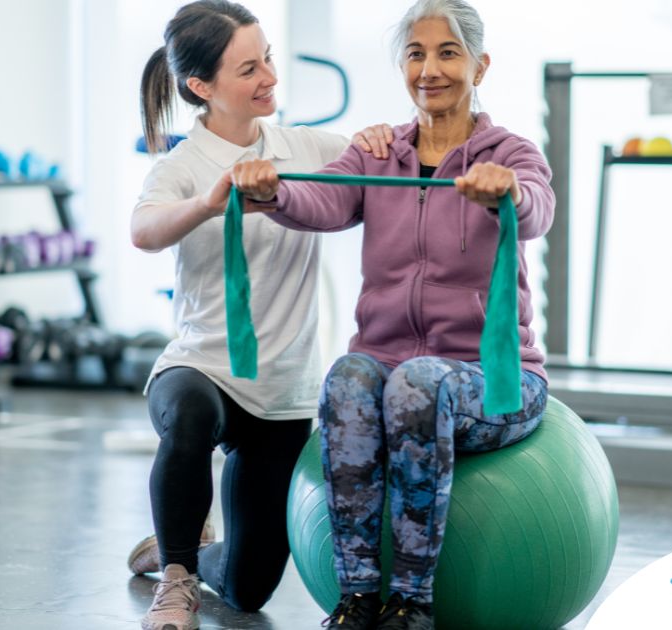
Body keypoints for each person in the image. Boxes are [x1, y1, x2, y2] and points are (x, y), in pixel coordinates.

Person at [230, 1, 553, 628]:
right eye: (415, 53)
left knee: (415, 385)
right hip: (391, 370)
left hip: (494, 383)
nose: (430, 69)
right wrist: (272, 191)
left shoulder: (510, 153)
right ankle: (357, 598)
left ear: (480, 65)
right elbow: (319, 196)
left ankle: (412, 603)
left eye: (448, 52)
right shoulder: (377, 154)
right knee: (351, 377)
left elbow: (539, 207)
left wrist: (506, 191)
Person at [129, 2, 392, 629]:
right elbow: (143, 230)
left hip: (281, 391)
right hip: (203, 368)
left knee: (249, 591)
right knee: (188, 416)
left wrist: (385, 140)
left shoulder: (305, 147)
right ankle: (176, 577)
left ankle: (180, 551)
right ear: (202, 87)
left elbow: (379, 163)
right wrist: (207, 203)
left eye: (268, 57)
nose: (270, 76)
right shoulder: (181, 167)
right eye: (249, 68)